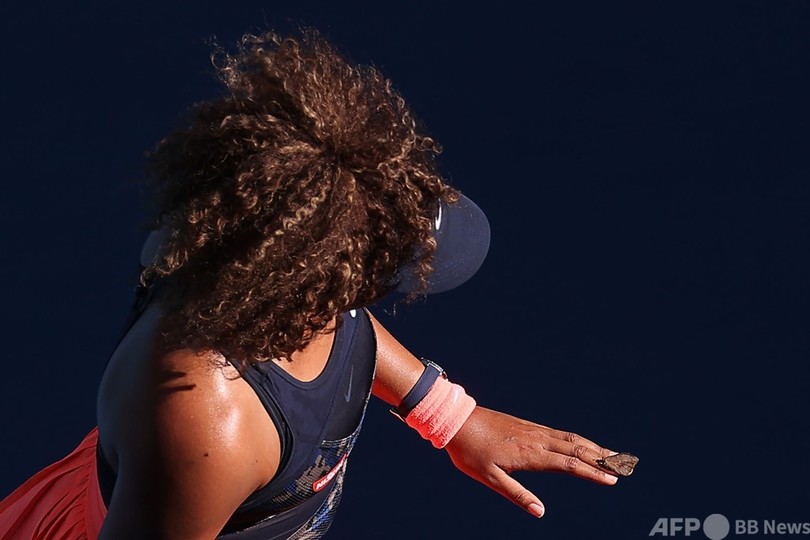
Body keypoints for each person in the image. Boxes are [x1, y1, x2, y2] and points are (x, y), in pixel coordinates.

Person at [0, 29, 635, 539]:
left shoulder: (277, 276)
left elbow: (347, 323)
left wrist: (451, 415)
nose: (360, 301)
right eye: (368, 276)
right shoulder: (207, 422)